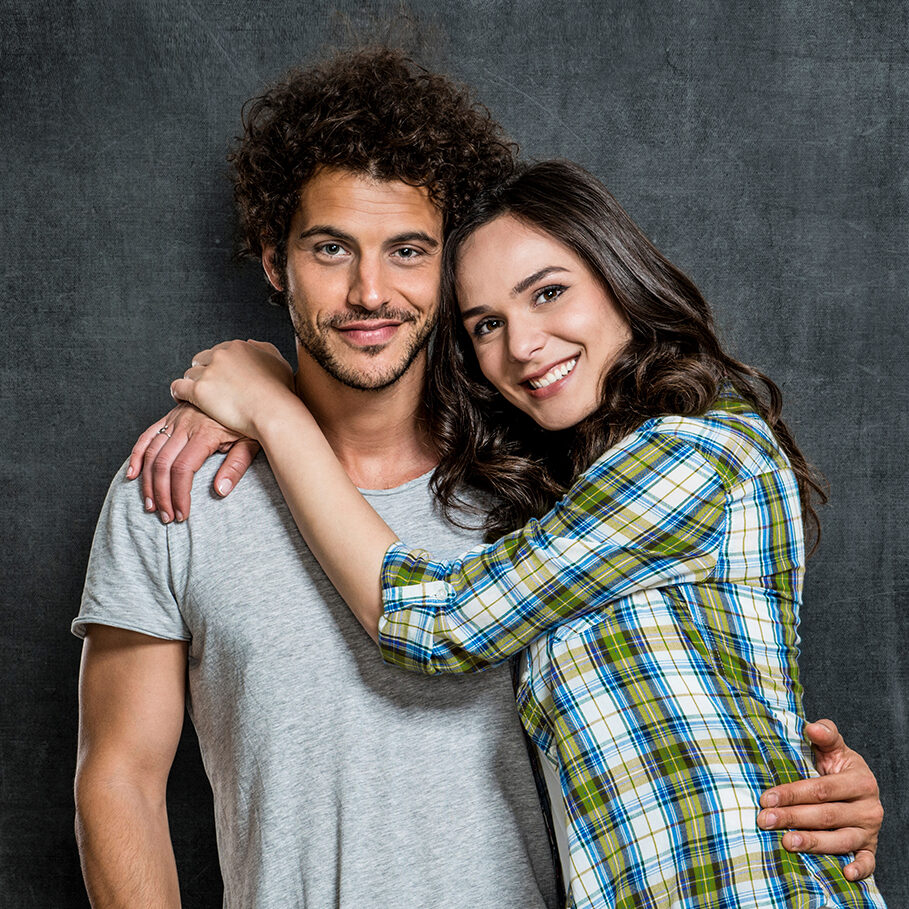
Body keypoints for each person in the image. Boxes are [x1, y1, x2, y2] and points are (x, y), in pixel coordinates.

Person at [157, 160, 887, 908]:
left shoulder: (701, 453)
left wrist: (275, 413)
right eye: (485, 325)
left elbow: (438, 620)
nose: (524, 344)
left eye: (548, 292)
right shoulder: (566, 504)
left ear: (616, 276)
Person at [73, 48, 561, 908]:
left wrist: (832, 786)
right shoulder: (170, 484)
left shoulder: (542, 481)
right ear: (273, 262)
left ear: (447, 269)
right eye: (330, 248)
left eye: (407, 250)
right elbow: (118, 779)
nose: (370, 292)